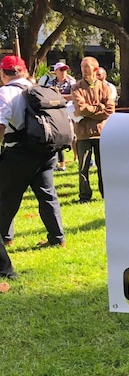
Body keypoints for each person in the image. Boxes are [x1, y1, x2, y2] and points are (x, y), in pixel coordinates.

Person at [0, 56, 66, 248]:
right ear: (24, 71)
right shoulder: (40, 89)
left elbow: (1, 124)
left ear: (3, 73)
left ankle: (4, 237)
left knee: (7, 196)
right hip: (46, 150)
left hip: (19, 152)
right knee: (47, 194)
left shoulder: (5, 93)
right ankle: (57, 238)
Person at [72, 57, 115, 203]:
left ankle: (106, 194)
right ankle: (84, 196)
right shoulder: (76, 87)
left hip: (101, 133)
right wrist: (99, 107)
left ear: (95, 69)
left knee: (103, 167)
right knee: (83, 168)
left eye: (87, 66)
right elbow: (80, 108)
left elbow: (109, 110)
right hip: (83, 134)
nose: (83, 69)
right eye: (82, 66)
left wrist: (91, 109)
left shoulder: (105, 87)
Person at [46, 62, 75, 171]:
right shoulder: (50, 83)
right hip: (55, 113)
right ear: (56, 71)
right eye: (61, 70)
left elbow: (74, 96)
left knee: (72, 135)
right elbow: (47, 97)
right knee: (56, 137)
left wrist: (58, 96)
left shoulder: (71, 83)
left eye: (65, 70)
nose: (63, 72)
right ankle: (58, 163)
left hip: (69, 111)